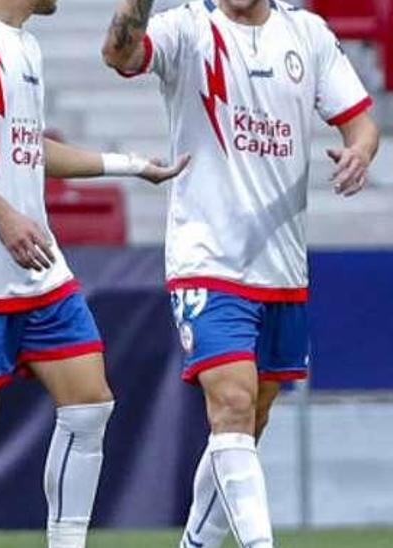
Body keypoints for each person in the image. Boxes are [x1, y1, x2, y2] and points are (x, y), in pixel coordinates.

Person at [101, 0, 380, 546]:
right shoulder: (186, 28)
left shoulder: (307, 33)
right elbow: (119, 53)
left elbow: (361, 124)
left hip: (280, 264)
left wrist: (360, 152)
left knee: (249, 418)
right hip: (207, 257)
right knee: (230, 403)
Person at [0, 1, 190, 546]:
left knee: (90, 403)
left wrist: (130, 165)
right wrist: (2, 215)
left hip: (38, 267)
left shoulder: (26, 45)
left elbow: (27, 150)